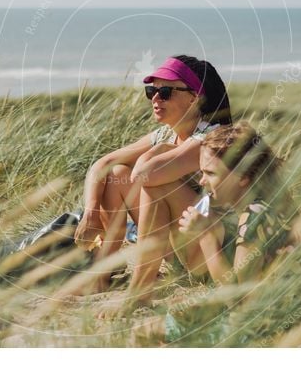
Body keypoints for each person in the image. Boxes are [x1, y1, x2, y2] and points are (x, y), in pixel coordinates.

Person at [73, 55, 232, 292]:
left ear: (194, 97)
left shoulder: (209, 138)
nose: (155, 98)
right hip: (179, 247)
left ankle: (140, 289)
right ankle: (103, 273)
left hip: (210, 254)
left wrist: (160, 150)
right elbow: (102, 164)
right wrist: (91, 213)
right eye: (151, 91)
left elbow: (144, 175)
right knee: (117, 174)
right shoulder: (167, 134)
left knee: (156, 184)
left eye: (166, 91)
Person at [177, 122, 292, 288]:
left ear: (243, 176)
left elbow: (238, 300)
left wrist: (205, 235)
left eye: (210, 173)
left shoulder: (255, 217)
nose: (202, 181)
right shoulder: (259, 207)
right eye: (202, 172)